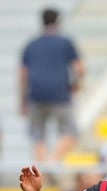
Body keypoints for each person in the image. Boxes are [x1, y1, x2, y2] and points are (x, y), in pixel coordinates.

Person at [19, 8, 85, 162]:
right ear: (58, 22)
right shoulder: (65, 43)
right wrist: (75, 84)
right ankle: (52, 160)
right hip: (60, 93)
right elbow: (80, 69)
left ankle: (41, 170)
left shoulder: (31, 45)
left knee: (38, 136)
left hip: (36, 94)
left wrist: (23, 100)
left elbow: (23, 75)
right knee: (70, 133)